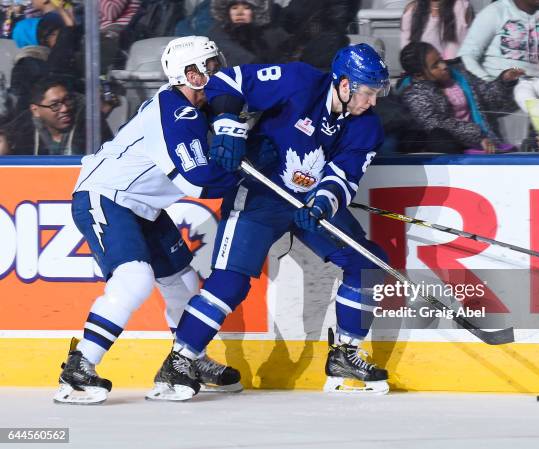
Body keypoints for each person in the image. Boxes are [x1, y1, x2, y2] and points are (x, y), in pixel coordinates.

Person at [149, 43, 393, 399]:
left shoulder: (367, 125)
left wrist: (323, 203)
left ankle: (345, 355)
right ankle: (180, 360)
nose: (371, 102)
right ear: (344, 84)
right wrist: (228, 123)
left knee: (367, 262)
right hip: (259, 197)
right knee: (230, 283)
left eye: (376, 93)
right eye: (368, 92)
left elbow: (346, 173)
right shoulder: (299, 81)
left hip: (307, 203)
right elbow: (229, 82)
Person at [53, 36, 243, 405]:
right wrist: (243, 177)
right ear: (192, 74)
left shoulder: (195, 109)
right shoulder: (177, 111)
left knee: (184, 283)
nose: (220, 73)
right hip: (105, 195)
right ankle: (79, 367)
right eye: (212, 66)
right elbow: (196, 179)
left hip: (143, 206)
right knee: (134, 278)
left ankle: (191, 358)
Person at [399, 42, 523, 153]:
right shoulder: (414, 95)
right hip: (454, 152)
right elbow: (437, 124)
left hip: (486, 144)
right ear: (419, 75)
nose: (443, 66)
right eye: (435, 66)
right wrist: (477, 136)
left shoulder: (460, 75)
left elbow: (489, 99)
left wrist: (504, 81)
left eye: (441, 59)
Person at [458, 0, 539, 81]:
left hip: (538, 92)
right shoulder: (495, 12)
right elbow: (467, 55)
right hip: (499, 92)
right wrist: (488, 83)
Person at [3, 78, 112, 155]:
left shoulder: (91, 123)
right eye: (55, 105)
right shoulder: (22, 129)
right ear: (35, 110)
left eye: (67, 100)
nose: (65, 109)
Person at [208, 0, 289, 65]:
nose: (240, 12)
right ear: (227, 12)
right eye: (234, 8)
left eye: (246, 8)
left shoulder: (266, 37)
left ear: (255, 12)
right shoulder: (218, 36)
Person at [400, 0, 473, 60]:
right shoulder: (411, 10)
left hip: (449, 70)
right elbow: (407, 53)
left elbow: (453, 55)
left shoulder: (460, 7)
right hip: (419, 71)